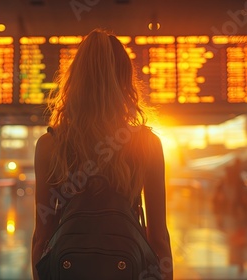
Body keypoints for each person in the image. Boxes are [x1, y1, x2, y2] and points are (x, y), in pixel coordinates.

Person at [32, 28, 173, 279]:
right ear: (126, 81)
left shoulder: (49, 144)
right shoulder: (146, 143)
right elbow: (158, 237)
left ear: (74, 79)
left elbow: (42, 235)